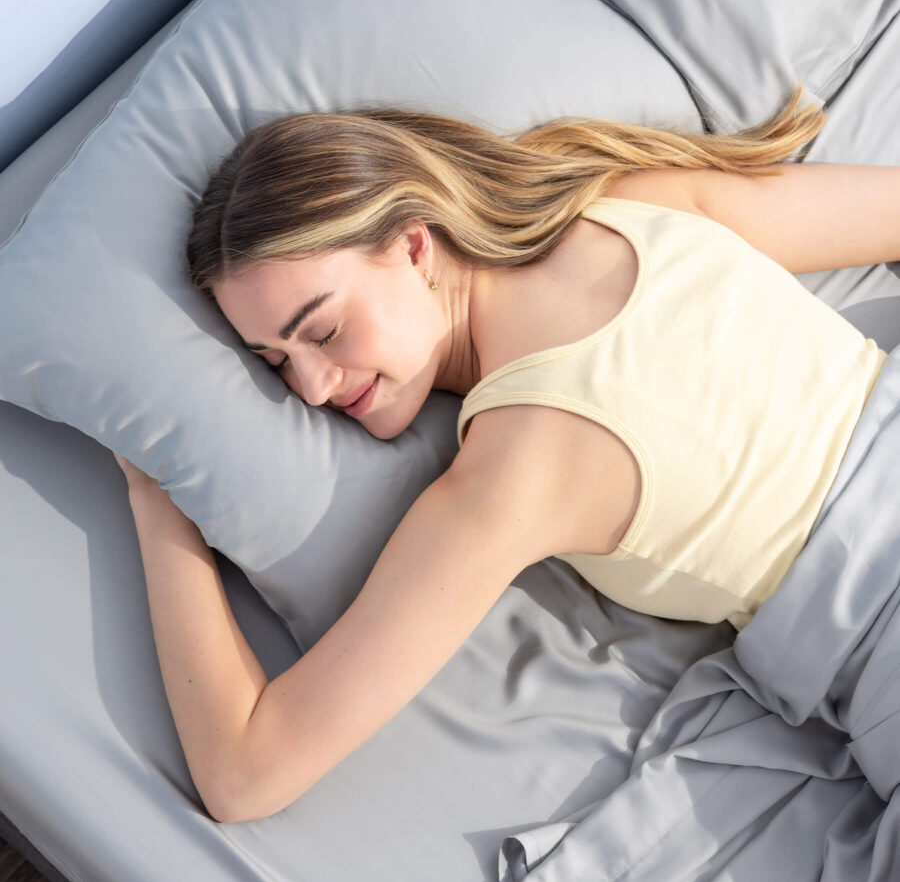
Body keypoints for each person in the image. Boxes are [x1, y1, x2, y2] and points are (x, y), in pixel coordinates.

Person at [114, 86, 894, 824]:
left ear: (414, 247)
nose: (312, 388)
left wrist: (153, 500)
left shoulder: (513, 473)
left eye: (320, 332)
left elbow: (245, 773)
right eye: (276, 362)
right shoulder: (627, 201)